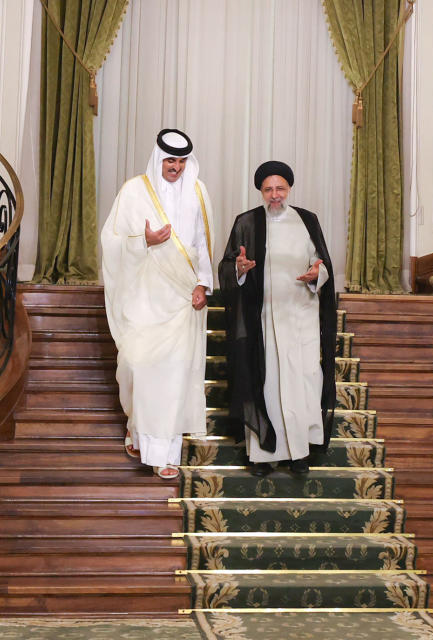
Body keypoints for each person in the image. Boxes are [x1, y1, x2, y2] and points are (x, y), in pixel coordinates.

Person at [100, 129, 214, 480]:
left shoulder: (198, 190)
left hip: (182, 297)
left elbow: (201, 243)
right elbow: (111, 241)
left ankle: (165, 454)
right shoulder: (133, 191)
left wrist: (203, 284)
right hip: (143, 294)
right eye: (170, 160)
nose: (176, 167)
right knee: (136, 364)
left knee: (174, 375)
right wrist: (144, 241)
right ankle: (137, 428)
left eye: (181, 161)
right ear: (157, 158)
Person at [217, 161, 337, 477]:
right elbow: (227, 267)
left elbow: (324, 265)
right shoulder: (246, 222)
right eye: (268, 189)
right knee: (267, 385)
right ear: (260, 191)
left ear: (289, 189)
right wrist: (239, 270)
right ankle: (263, 456)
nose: (274, 195)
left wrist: (317, 274)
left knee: (302, 385)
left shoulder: (308, 220)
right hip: (263, 321)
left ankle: (298, 454)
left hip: (301, 318)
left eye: (280, 188)